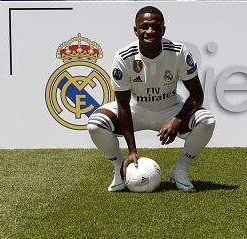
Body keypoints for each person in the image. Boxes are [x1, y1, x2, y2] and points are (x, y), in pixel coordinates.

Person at [87, 6, 215, 192]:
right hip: (135, 110)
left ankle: (180, 169)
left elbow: (197, 95)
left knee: (207, 121)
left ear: (163, 30)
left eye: (155, 27)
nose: (150, 31)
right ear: (136, 30)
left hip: (170, 109)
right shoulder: (124, 56)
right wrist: (132, 150)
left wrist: (177, 120)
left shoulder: (178, 51)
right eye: (144, 27)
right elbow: (122, 104)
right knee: (95, 124)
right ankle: (119, 170)